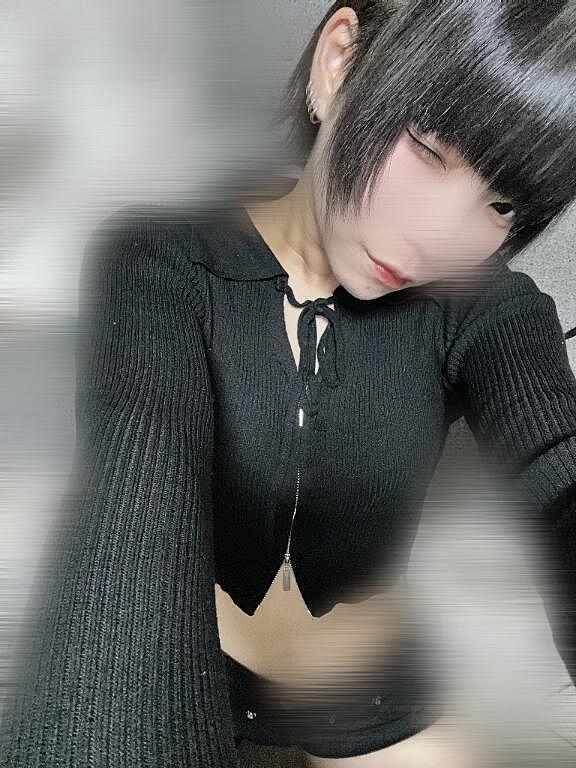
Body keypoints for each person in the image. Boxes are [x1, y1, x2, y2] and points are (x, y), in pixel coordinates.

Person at [2, 0, 576, 766]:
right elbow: (136, 487)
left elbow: (557, 460)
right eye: (429, 149)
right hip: (190, 676)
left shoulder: (487, 305)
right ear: (339, 62)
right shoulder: (161, 260)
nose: (441, 238)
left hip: (368, 693)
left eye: (502, 204)